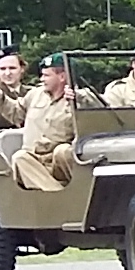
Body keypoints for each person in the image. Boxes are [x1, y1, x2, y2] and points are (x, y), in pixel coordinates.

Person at [13, 53, 83, 191]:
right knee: (20, 157)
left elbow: (100, 113)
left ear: (62, 77)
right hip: (35, 162)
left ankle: (64, 195)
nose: (42, 79)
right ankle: (58, 195)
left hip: (61, 164)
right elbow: (14, 113)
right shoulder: (35, 95)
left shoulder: (81, 99)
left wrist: (78, 99)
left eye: (46, 75)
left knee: (62, 151)